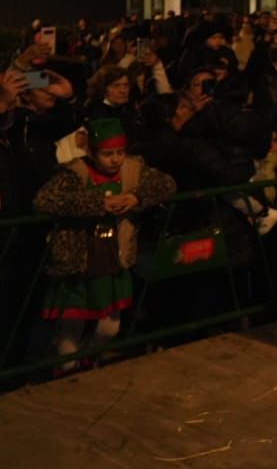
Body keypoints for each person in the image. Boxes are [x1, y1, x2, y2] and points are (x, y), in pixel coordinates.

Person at [33, 119, 176, 374]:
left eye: (119, 152)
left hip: (112, 258)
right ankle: (67, 372)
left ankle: (86, 361)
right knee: (72, 325)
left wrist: (137, 197)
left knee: (109, 327)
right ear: (92, 152)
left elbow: (166, 184)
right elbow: (45, 200)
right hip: (79, 261)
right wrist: (99, 203)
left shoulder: (133, 169)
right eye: (107, 154)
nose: (115, 160)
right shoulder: (75, 173)